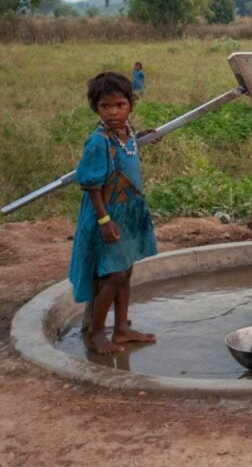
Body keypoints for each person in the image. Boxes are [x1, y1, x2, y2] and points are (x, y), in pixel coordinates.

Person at [68, 72, 158, 354]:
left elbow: (128, 151)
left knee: (127, 270)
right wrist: (104, 221)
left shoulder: (126, 131)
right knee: (113, 275)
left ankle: (121, 329)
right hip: (107, 214)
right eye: (105, 106)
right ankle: (96, 333)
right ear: (96, 107)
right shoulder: (98, 142)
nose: (113, 112)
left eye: (119, 105)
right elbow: (91, 185)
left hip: (130, 212)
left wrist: (140, 137)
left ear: (130, 104)